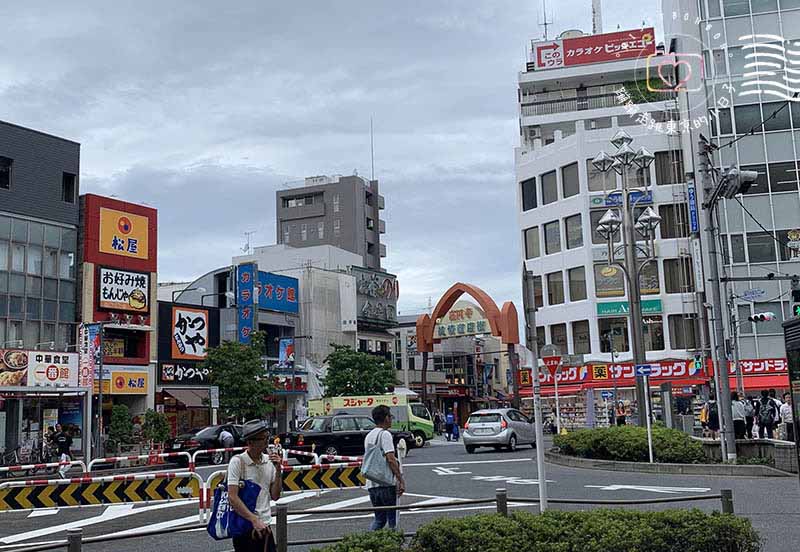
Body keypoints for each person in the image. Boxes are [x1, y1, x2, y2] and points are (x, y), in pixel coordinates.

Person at [226, 421, 282, 552]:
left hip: (265, 526)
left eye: (267, 437)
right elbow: (232, 497)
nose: (266, 442)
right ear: (250, 442)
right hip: (245, 527)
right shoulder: (238, 462)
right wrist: (254, 520)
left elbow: (275, 496)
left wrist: (278, 470)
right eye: (263, 438)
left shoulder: (269, 462)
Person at [364, 405, 405, 531]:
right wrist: (400, 479)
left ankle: (369, 544)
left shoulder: (369, 435)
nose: (391, 419)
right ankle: (393, 545)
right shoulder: (385, 434)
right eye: (390, 416)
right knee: (393, 522)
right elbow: (391, 459)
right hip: (386, 484)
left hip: (372, 484)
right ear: (385, 418)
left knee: (379, 520)